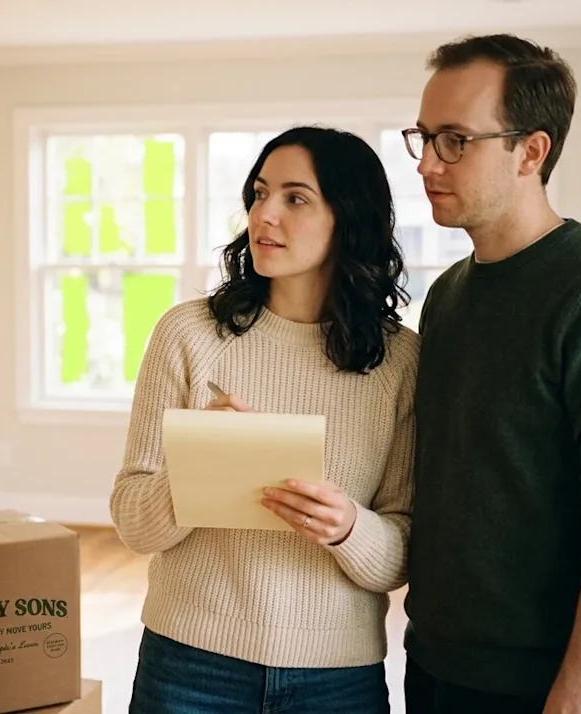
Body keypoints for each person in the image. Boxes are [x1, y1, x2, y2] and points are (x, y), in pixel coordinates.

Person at [401, 34, 581, 714]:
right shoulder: (448, 295)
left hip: (548, 691)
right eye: (425, 136)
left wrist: (573, 701)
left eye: (456, 141)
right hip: (435, 667)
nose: (428, 163)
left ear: (531, 151)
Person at [109, 125, 419, 714]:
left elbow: (404, 551)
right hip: (188, 663)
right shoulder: (187, 336)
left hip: (338, 677)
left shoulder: (401, 361)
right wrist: (197, 465)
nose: (263, 214)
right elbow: (132, 522)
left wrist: (349, 525)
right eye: (258, 193)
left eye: (295, 198)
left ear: (348, 219)